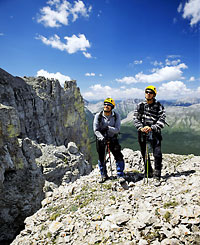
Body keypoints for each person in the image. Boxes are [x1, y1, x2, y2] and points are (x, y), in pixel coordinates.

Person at [133, 85, 166, 185]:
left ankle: (157, 175)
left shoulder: (159, 106)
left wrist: (152, 127)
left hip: (155, 133)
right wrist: (141, 127)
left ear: (154, 95)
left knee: (157, 154)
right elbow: (135, 118)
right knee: (144, 153)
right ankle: (148, 171)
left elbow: (162, 119)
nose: (148, 94)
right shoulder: (140, 105)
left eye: (150, 92)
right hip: (142, 132)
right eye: (147, 92)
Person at [93, 98, 125, 183]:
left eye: (109, 105)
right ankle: (103, 175)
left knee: (118, 156)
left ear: (112, 107)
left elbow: (117, 129)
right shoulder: (98, 116)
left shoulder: (116, 116)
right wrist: (102, 138)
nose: (106, 106)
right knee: (101, 157)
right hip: (101, 139)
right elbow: (96, 130)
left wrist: (108, 128)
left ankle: (120, 175)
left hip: (112, 138)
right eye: (105, 104)